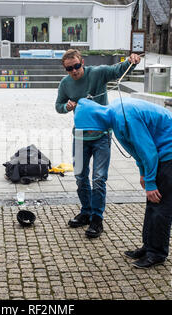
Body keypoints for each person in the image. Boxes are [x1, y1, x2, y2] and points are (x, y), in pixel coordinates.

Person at [74, 97, 172, 269]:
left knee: (161, 202)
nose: (89, 136)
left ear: (94, 121)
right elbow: (137, 150)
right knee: (152, 202)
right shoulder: (113, 117)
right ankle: (148, 246)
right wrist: (144, 173)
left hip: (170, 146)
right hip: (159, 148)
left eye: (88, 131)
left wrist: (150, 182)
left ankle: (157, 253)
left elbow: (148, 152)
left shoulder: (123, 118)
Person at [55, 49, 140, 239]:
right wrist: (66, 107)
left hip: (101, 135)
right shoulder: (65, 84)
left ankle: (97, 219)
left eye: (77, 66)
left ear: (82, 62)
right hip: (79, 136)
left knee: (99, 179)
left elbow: (118, 70)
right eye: (70, 69)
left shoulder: (98, 73)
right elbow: (58, 106)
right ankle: (86, 212)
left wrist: (131, 61)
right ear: (65, 69)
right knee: (80, 177)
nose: (74, 71)